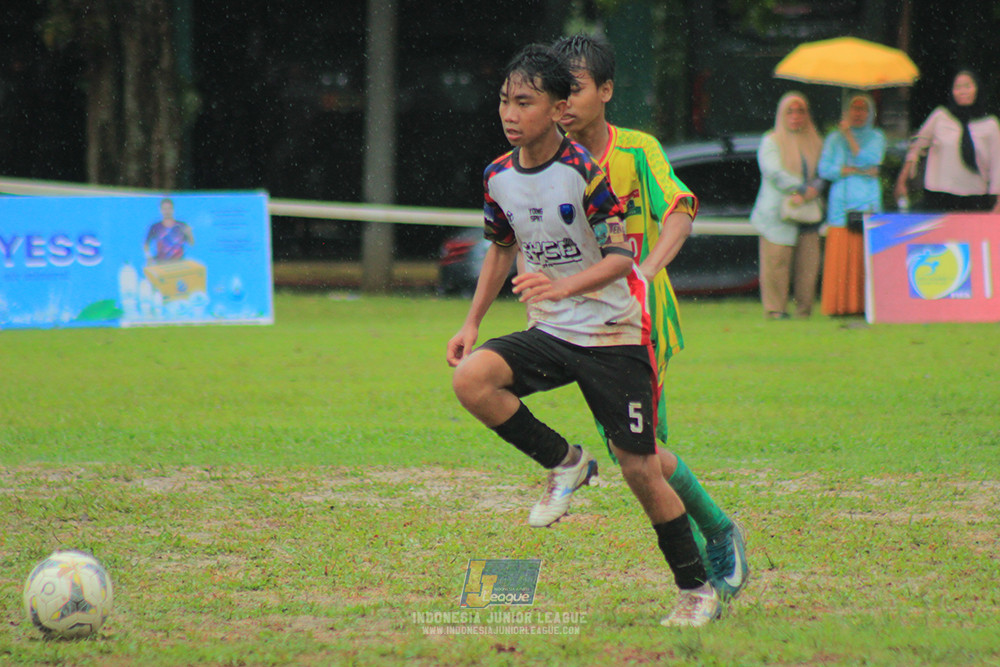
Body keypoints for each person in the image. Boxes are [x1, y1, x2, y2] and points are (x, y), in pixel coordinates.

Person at [446, 43, 721, 627]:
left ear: (554, 108)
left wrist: (563, 288)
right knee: (473, 380)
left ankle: (697, 589)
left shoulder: (586, 173)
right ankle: (566, 463)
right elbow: (500, 248)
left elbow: (622, 257)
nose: (510, 114)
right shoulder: (498, 175)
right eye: (504, 101)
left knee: (640, 467)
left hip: (613, 334)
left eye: (525, 102)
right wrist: (472, 321)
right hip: (550, 330)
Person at [551, 33, 748, 601]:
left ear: (606, 91)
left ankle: (714, 538)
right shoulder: (552, 158)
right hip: (581, 323)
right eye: (556, 92)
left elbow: (681, 209)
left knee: (635, 453)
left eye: (577, 89)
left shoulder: (638, 151)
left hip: (641, 320)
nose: (564, 102)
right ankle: (710, 541)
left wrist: (648, 269)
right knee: (633, 454)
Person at [750, 91, 824, 320]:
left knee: (808, 266)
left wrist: (814, 189)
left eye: (801, 110)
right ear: (781, 114)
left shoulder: (816, 141)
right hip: (778, 213)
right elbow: (773, 171)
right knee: (776, 264)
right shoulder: (771, 140)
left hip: (808, 212)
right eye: (790, 111)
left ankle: (804, 310)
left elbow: (825, 170)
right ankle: (776, 310)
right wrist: (802, 188)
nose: (795, 116)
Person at [818, 93, 886, 316]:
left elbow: (870, 160)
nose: (858, 113)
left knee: (862, 255)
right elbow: (824, 170)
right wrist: (846, 170)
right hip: (840, 206)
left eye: (863, 109)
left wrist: (849, 138)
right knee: (841, 257)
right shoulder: (833, 139)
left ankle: (865, 306)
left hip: (867, 202)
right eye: (854, 109)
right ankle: (838, 305)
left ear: (870, 113)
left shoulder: (877, 137)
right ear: (846, 112)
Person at [895, 70, 1000, 213]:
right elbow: (917, 146)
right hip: (939, 194)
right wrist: (902, 180)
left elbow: (997, 164)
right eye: (958, 87)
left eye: (967, 86)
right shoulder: (941, 116)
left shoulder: (990, 124)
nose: (963, 91)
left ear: (977, 89)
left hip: (975, 196)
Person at [144, 198, 194, 263]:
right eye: (164, 209)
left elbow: (191, 243)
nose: (167, 211)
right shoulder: (155, 227)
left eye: (169, 208)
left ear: (173, 209)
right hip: (161, 263)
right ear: (161, 210)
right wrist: (148, 257)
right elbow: (146, 244)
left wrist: (189, 233)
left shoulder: (181, 225)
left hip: (179, 263)